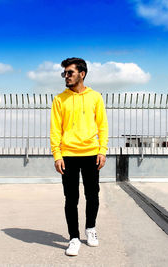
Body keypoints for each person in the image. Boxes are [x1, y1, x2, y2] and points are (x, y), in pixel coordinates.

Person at [50, 57, 109, 256]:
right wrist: (57, 155)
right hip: (68, 155)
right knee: (71, 198)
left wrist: (102, 150)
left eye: (70, 73)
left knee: (92, 195)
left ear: (81, 74)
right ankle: (73, 238)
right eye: (64, 73)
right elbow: (55, 130)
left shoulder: (96, 97)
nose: (66, 76)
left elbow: (102, 125)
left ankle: (90, 229)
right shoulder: (59, 99)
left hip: (91, 153)